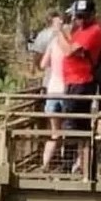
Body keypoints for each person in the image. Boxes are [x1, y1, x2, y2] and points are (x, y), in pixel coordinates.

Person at [52, 0, 101, 173]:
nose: (80, 20)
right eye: (78, 16)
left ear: (92, 15)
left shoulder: (94, 31)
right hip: (72, 82)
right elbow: (69, 45)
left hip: (81, 83)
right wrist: (66, 32)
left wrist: (58, 31)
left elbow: (68, 51)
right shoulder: (80, 30)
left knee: (72, 125)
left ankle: (68, 165)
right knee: (78, 125)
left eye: (84, 16)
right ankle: (84, 166)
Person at [39, 18, 69, 171]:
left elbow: (43, 64)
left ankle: (45, 164)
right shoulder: (68, 45)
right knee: (66, 128)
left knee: (54, 132)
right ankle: (65, 162)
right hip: (65, 90)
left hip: (52, 90)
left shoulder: (52, 44)